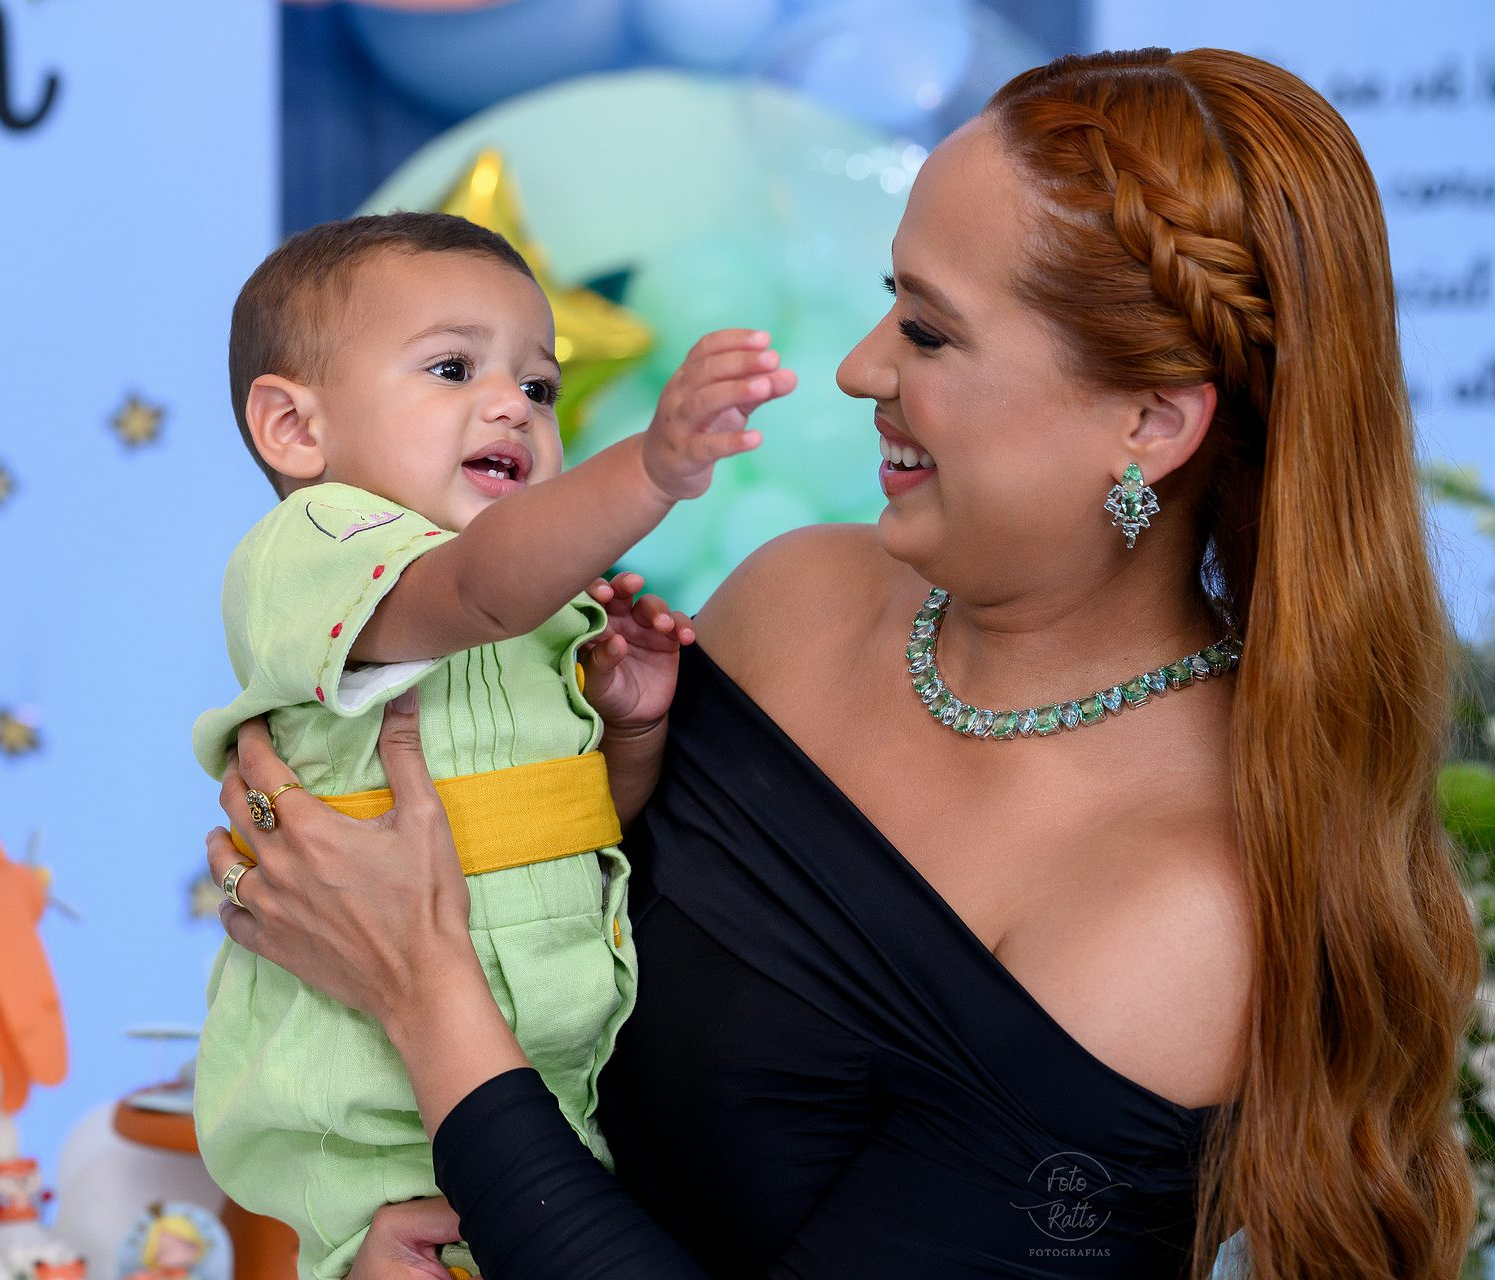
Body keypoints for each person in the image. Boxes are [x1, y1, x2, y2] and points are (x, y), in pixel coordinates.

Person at [205, 48, 1481, 1280]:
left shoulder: (1181, 913)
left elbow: (450, 988)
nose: (860, 365)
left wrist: (419, 991)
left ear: (1148, 423)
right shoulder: (796, 596)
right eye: (885, 297)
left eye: (927, 330)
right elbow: (553, 939)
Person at [191, 212, 795, 1278]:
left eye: (541, 385)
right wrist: (649, 468)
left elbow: (577, 824)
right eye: (452, 367)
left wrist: (632, 725)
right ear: (294, 429)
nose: (513, 402)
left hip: (545, 1081)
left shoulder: (539, 602)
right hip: (371, 1099)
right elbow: (475, 590)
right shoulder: (316, 548)